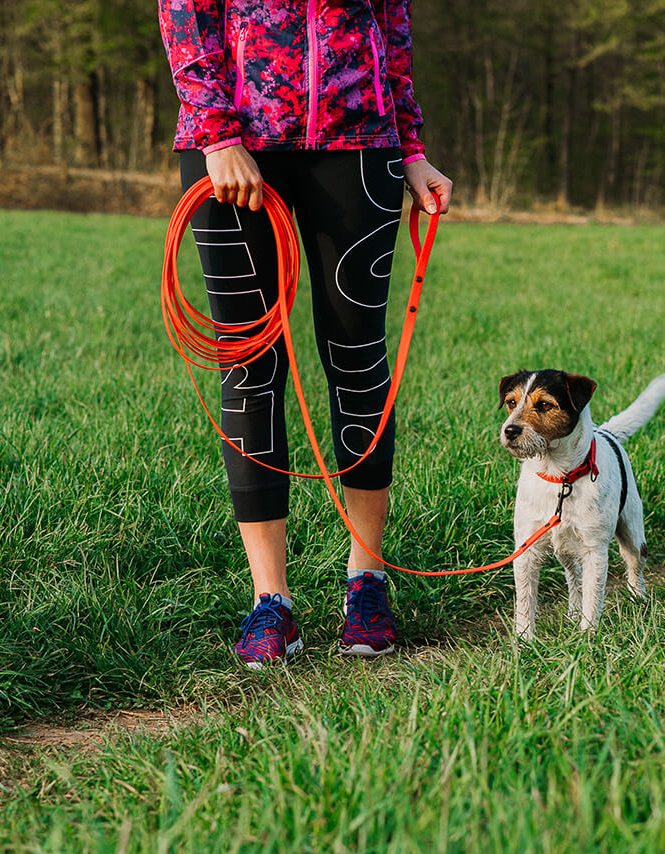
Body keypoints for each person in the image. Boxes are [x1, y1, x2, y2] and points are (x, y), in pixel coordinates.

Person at [159, 0, 452, 668]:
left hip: (359, 145)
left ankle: (366, 582)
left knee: (357, 356)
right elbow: (186, 12)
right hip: (236, 146)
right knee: (249, 364)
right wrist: (216, 133)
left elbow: (392, 27)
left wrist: (410, 147)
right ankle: (272, 603)